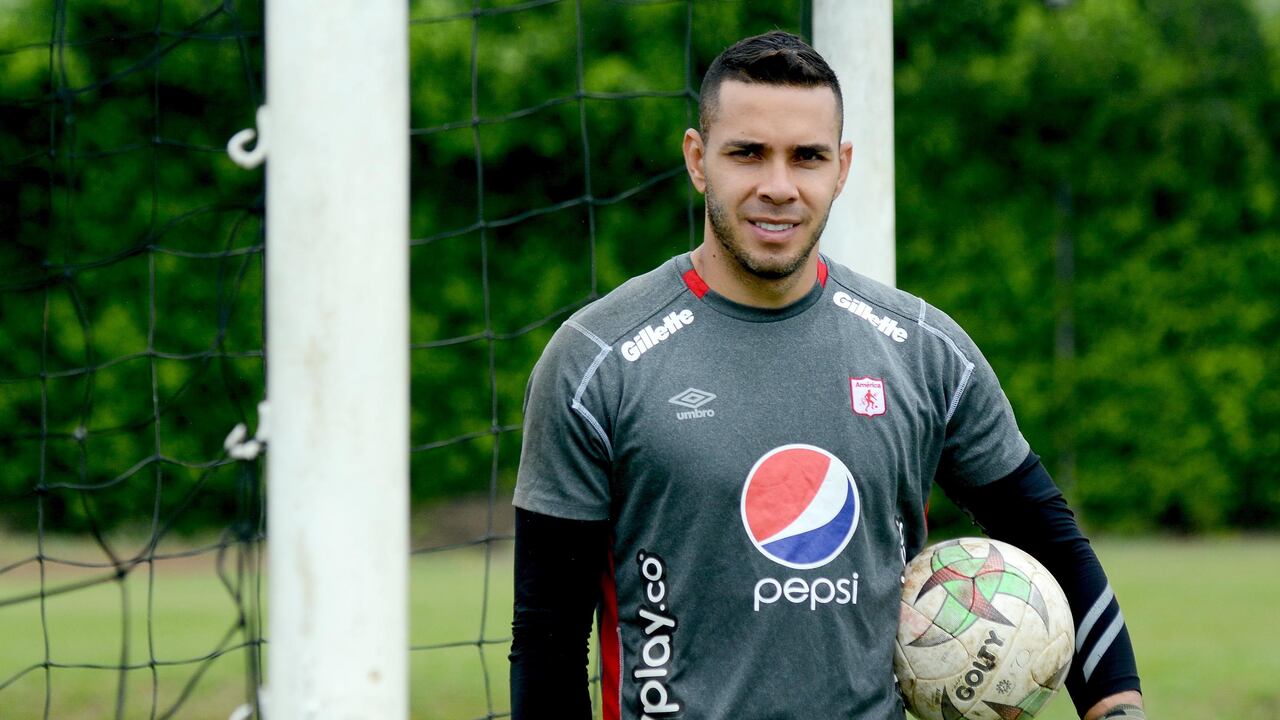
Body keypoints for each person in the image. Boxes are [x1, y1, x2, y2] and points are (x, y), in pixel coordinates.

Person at [509, 30, 1144, 720]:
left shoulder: (924, 352)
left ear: (841, 168)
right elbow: (547, 639)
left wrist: (1118, 709)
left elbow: (1052, 546)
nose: (778, 187)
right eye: (747, 153)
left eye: (806, 157)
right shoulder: (595, 361)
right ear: (697, 159)